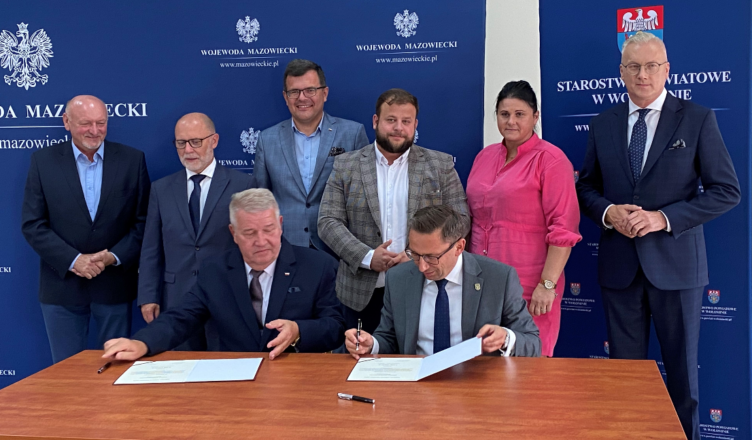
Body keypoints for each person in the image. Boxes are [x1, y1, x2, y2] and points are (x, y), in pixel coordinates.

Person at [576, 32, 740, 440]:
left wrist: (663, 218)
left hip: (677, 269)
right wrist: (609, 212)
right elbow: (586, 187)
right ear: (621, 72)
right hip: (620, 270)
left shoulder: (697, 118)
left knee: (683, 382)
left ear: (667, 70)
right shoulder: (603, 124)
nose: (642, 74)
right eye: (634, 66)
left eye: (651, 66)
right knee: (625, 382)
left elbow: (726, 191)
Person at [102, 189, 345, 361]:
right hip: (236, 379)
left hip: (298, 375)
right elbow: (181, 317)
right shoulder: (215, 270)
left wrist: (298, 330)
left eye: (269, 229)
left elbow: (335, 327)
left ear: (280, 224)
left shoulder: (318, 265)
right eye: (250, 233)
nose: (261, 241)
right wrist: (142, 343)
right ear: (233, 233)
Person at [318, 89, 469, 335]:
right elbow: (328, 221)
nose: (398, 128)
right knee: (363, 357)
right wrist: (367, 257)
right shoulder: (346, 165)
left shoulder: (440, 166)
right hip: (360, 294)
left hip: (424, 285)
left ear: (415, 125)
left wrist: (417, 256)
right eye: (391, 120)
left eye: (406, 121)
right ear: (375, 121)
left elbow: (460, 220)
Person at [21, 95, 150, 363]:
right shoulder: (43, 161)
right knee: (66, 373)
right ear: (66, 122)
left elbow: (143, 221)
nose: (94, 130)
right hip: (62, 287)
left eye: (101, 123)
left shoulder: (132, 160)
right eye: (85, 123)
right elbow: (32, 224)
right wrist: (74, 260)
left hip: (114, 285)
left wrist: (113, 256)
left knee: (116, 368)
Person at [466, 80, 581, 357]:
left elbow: (563, 230)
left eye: (520, 114)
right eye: (504, 114)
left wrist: (547, 285)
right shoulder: (484, 157)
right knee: (481, 367)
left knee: (529, 365)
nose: (511, 121)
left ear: (535, 116)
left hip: (530, 285)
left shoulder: (552, 160)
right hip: (480, 281)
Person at [345, 205, 540, 357]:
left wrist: (505, 338)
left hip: (474, 383)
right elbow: (389, 338)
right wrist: (371, 344)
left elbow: (533, 342)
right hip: (416, 382)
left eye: (431, 257)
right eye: (415, 254)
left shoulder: (498, 278)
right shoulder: (399, 278)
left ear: (459, 247)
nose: (422, 267)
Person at [137, 113, 256, 350]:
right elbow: (151, 248)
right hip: (177, 300)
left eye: (195, 142)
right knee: (181, 369)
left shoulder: (243, 185)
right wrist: (148, 296)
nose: (188, 150)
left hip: (228, 297)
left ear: (214, 140)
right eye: (181, 143)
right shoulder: (161, 189)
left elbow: (252, 244)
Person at [254, 59, 369, 255]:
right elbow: (260, 200)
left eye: (310, 90)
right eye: (294, 92)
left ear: (325, 93)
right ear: (285, 97)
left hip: (337, 249)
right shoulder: (267, 139)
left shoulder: (353, 133)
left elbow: (364, 198)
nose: (302, 98)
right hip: (285, 248)